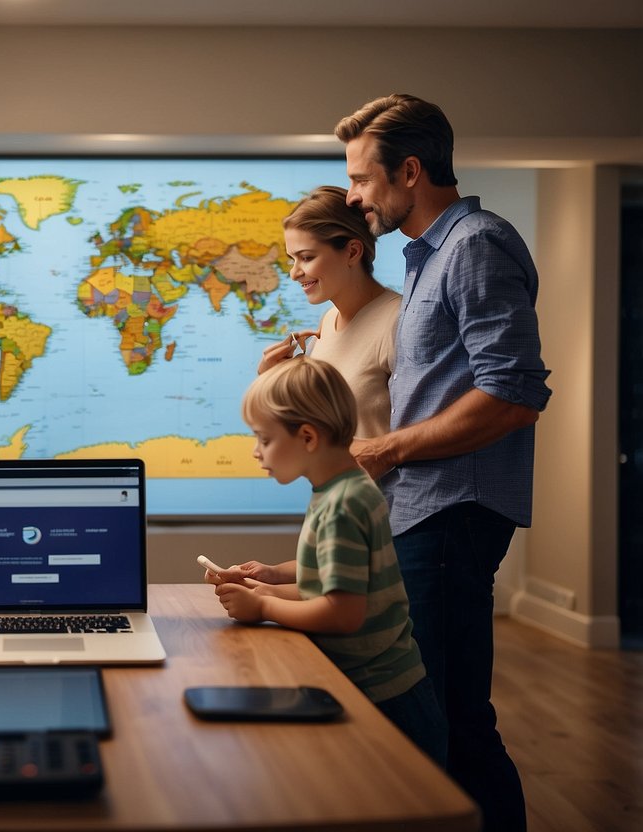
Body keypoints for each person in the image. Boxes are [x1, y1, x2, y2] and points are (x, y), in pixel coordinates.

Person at [335, 93, 551, 831]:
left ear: (410, 171)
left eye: (362, 179)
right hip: (420, 513)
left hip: (451, 517)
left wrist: (385, 446)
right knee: (437, 717)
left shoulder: (474, 245)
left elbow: (511, 394)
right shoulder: (426, 259)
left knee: (451, 722)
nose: (352, 195)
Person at [205, 358, 446, 765]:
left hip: (386, 700)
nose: (256, 451)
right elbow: (335, 573)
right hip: (387, 689)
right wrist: (269, 577)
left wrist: (265, 605)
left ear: (308, 438)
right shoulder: (343, 488)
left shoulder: (341, 505)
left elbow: (343, 612)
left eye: (264, 439)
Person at [258, 185, 401, 439]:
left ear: (353, 252)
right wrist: (271, 377)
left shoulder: (398, 321)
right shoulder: (328, 320)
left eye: (307, 258)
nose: (294, 273)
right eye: (292, 259)